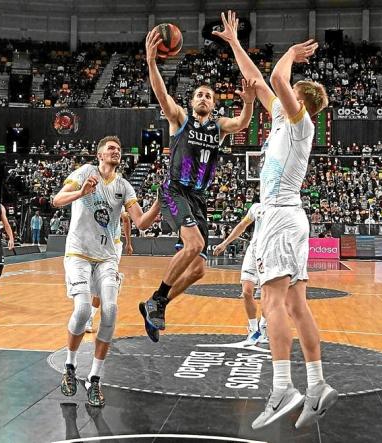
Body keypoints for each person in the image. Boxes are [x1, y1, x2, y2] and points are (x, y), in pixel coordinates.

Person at [214, 10, 337, 430]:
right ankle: (318, 384)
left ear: (301, 103)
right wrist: (233, 43)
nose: (279, 98)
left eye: (290, 96)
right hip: (290, 218)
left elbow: (280, 81)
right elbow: (263, 81)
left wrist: (287, 54)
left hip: (281, 218)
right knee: (297, 305)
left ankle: (283, 386)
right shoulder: (285, 119)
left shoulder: (300, 124)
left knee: (271, 303)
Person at [138, 21, 257, 343]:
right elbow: (161, 94)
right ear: (192, 102)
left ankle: (155, 304)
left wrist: (248, 101)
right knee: (195, 245)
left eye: (208, 95)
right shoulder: (180, 119)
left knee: (199, 269)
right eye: (199, 94)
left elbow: (243, 122)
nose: (203, 98)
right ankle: (158, 299)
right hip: (175, 189)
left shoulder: (219, 126)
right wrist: (151, 62)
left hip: (200, 198)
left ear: (214, 103)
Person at [53, 135, 159, 408]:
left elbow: (142, 222)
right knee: (83, 310)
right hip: (78, 253)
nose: (116, 151)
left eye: (119, 149)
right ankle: (70, 366)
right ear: (99, 155)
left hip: (107, 257)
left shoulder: (123, 186)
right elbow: (57, 200)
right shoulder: (84, 173)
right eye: (111, 148)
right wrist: (81, 193)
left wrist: (160, 201)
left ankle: (96, 377)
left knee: (110, 311)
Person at [213, 202, 268, 345]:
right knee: (247, 292)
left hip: (271, 255)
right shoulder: (256, 207)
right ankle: (253, 329)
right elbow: (242, 225)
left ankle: (263, 326)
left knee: (268, 295)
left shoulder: (283, 208)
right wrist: (224, 243)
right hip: (253, 252)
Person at [85, 211, 134, 334]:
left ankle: (90, 318)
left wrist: (128, 242)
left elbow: (126, 218)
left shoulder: (116, 200)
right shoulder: (92, 201)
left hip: (112, 247)